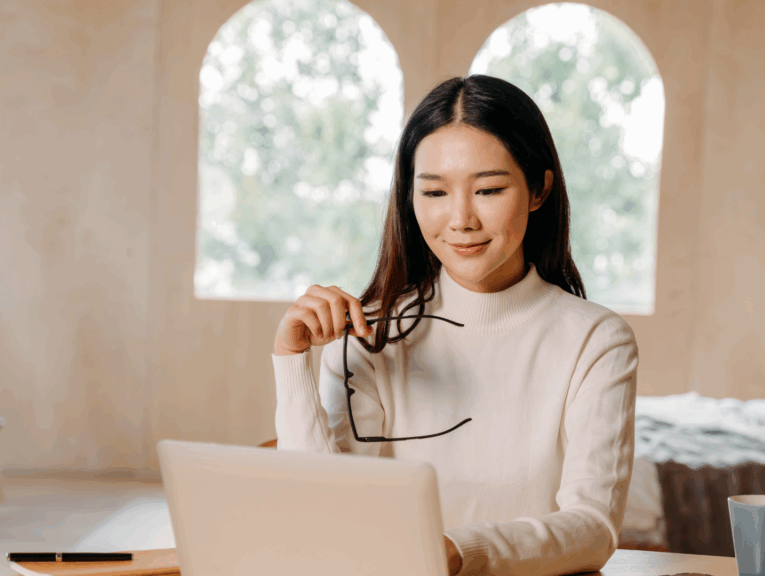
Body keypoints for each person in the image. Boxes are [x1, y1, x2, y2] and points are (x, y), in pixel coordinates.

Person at [272, 74, 638, 576]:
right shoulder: (370, 333)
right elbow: (323, 516)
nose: (460, 219)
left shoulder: (596, 340)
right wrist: (292, 363)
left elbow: (593, 527)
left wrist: (456, 551)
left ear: (538, 190)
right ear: (409, 197)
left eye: (488, 189)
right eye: (435, 192)